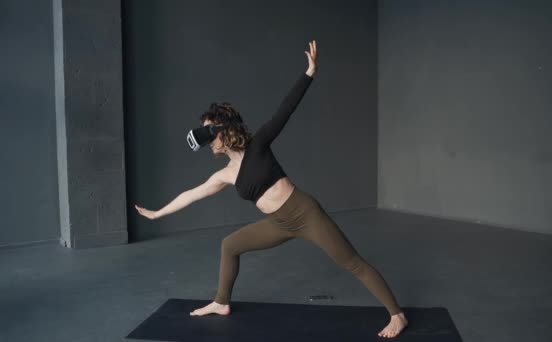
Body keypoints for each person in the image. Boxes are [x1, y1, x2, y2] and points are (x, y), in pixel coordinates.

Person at [135, 40, 408, 338]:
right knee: (230, 245)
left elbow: (285, 110)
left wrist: (310, 72)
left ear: (224, 132)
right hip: (279, 224)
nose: (208, 142)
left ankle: (397, 315)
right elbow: (192, 193)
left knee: (352, 262)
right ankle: (221, 303)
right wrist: (158, 213)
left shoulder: (259, 145)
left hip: (305, 214)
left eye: (210, 132)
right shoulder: (225, 175)